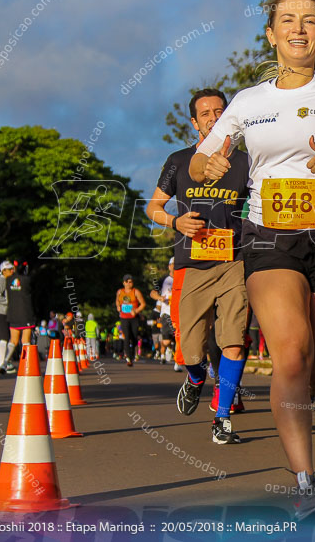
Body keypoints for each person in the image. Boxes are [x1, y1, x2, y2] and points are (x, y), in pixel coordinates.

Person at [188, 0, 315, 511]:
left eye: (309, 21)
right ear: (272, 34)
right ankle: (306, 483)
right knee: (292, 352)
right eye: (288, 20)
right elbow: (200, 161)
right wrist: (207, 166)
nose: (298, 29)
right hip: (268, 237)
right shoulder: (249, 101)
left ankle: (309, 423)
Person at [146, 87, 251, 444]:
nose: (214, 117)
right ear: (194, 122)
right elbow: (153, 208)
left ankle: (222, 419)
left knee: (233, 341)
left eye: (220, 111)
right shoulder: (178, 161)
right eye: (205, 113)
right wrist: (175, 223)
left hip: (235, 261)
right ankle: (194, 379)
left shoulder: (248, 161)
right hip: (192, 264)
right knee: (192, 350)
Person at [5, 262, 35, 363]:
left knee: (13, 340)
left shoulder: (8, 280)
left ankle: (5, 362)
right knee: (25, 340)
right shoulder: (27, 280)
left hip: (13, 313)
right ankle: (27, 362)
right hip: (26, 313)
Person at [149, 258, 176, 366]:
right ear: (169, 266)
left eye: (177, 264)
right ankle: (168, 348)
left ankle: (177, 363)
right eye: (173, 264)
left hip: (179, 314)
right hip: (166, 313)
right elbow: (152, 293)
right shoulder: (164, 280)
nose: (175, 266)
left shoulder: (184, 278)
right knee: (166, 341)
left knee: (179, 337)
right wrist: (159, 297)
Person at [115, 275, 145, 366]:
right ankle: (128, 358)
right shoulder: (120, 292)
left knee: (134, 337)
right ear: (123, 283)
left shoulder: (136, 292)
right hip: (124, 318)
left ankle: (132, 355)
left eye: (131, 282)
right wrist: (118, 306)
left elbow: (143, 304)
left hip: (133, 318)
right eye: (127, 282)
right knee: (127, 336)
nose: (129, 284)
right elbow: (117, 301)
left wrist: (136, 311)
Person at [0, 262, 15, 374]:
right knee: (4, 337)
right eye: (9, 269)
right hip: (0, 312)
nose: (12, 271)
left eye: (12, 269)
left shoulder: (7, 280)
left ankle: (5, 363)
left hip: (5, 312)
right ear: (3, 271)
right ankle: (2, 364)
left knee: (6, 337)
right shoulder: (0, 280)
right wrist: (8, 302)